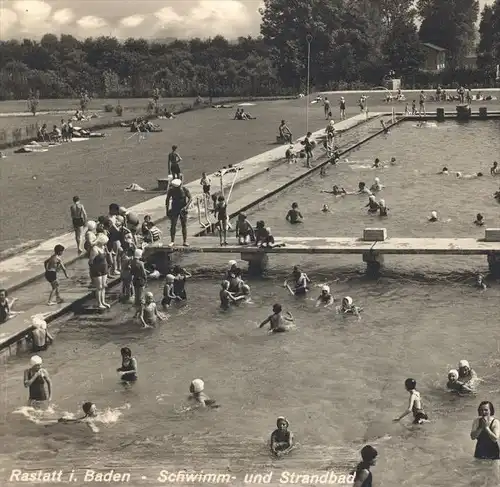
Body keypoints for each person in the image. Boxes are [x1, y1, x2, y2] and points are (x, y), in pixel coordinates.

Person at [166, 179, 192, 247]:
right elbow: (167, 200)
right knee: (173, 225)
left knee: (184, 225)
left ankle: (185, 241)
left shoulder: (184, 189)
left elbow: (190, 198)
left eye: (178, 188)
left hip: (183, 209)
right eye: (175, 188)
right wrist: (167, 210)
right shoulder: (171, 190)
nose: (177, 189)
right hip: (175, 208)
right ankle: (172, 241)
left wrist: (186, 207)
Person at [89, 235, 110, 309]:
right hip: (97, 269)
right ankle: (99, 303)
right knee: (99, 287)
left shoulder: (103, 247)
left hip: (104, 268)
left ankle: (103, 301)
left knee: (104, 285)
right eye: (105, 242)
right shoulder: (94, 249)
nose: (105, 244)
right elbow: (90, 261)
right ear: (101, 242)